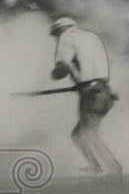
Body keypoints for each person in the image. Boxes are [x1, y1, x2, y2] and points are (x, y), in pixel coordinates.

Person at [49, 16, 122, 176]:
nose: (55, 39)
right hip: (104, 91)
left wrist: (54, 74)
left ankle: (113, 168)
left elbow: (62, 68)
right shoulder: (91, 37)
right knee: (81, 134)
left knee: (86, 133)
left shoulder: (66, 37)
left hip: (91, 93)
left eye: (55, 34)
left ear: (60, 29)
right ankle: (98, 167)